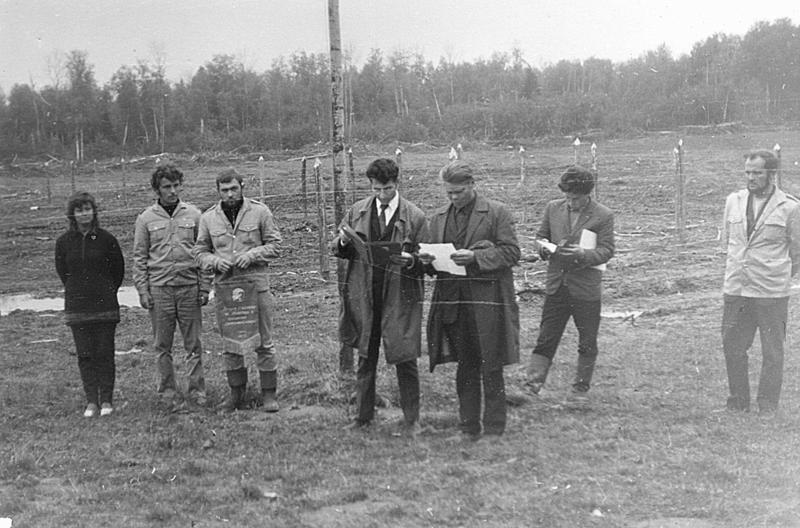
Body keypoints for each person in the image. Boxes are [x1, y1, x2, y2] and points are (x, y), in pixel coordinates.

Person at [419, 160, 520, 441]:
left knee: (491, 364)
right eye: (449, 192)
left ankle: (495, 428)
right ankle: (468, 427)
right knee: (465, 365)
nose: (453, 197)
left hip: (487, 302)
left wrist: (476, 257)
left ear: (472, 185)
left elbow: (512, 252)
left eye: (459, 192)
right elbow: (434, 262)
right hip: (453, 303)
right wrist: (427, 261)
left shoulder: (496, 212)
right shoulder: (439, 217)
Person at [332, 158, 428, 435]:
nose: (382, 195)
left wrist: (412, 260)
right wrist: (343, 241)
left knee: (405, 357)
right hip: (366, 295)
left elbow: (428, 259)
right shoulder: (357, 211)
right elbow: (339, 247)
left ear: (397, 184)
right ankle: (363, 417)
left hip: (399, 297)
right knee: (366, 356)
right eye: (376, 189)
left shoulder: (415, 216)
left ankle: (412, 419)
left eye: (387, 189)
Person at [194, 168, 282, 412]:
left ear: (242, 187)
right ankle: (236, 395)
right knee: (230, 344)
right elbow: (199, 252)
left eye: (234, 188)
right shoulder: (208, 218)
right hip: (226, 288)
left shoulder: (260, 212)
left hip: (256, 286)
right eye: (224, 190)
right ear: (218, 191)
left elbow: (275, 245)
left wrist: (252, 255)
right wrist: (214, 261)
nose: (230, 194)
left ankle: (268, 395)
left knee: (264, 342)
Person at [721, 149, 800, 414]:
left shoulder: (790, 207)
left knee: (772, 351)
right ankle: (738, 402)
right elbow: (728, 243)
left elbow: (797, 252)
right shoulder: (733, 201)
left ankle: (767, 405)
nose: (751, 178)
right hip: (737, 288)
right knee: (733, 346)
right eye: (748, 172)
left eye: (757, 173)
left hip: (771, 293)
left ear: (771, 173)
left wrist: (776, 274)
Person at [526, 166, 615, 398]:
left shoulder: (603, 215)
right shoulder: (552, 208)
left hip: (585, 288)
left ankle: (580, 388)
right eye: (567, 197)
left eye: (575, 198)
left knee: (587, 340)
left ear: (588, 194)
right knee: (546, 337)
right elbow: (541, 237)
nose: (570, 202)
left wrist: (584, 254)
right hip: (557, 285)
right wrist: (542, 248)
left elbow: (607, 250)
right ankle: (532, 385)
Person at [133, 165, 210, 408]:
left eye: (176, 186)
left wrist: (204, 287)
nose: (172, 191)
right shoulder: (145, 219)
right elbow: (139, 258)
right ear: (157, 190)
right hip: (160, 290)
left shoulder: (195, 215)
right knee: (162, 345)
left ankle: (197, 390)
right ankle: (167, 391)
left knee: (193, 343)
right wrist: (143, 290)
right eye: (167, 187)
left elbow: (204, 252)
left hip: (189, 288)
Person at [55, 192, 124, 417]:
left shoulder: (107, 239)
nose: (84, 214)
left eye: (87, 209)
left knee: (104, 353)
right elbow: (63, 272)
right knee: (85, 355)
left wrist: (105, 291)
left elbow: (118, 271)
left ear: (94, 211)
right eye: (79, 210)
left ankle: (106, 400)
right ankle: (91, 401)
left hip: (105, 307)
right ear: (72, 214)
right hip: (77, 308)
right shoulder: (63, 242)